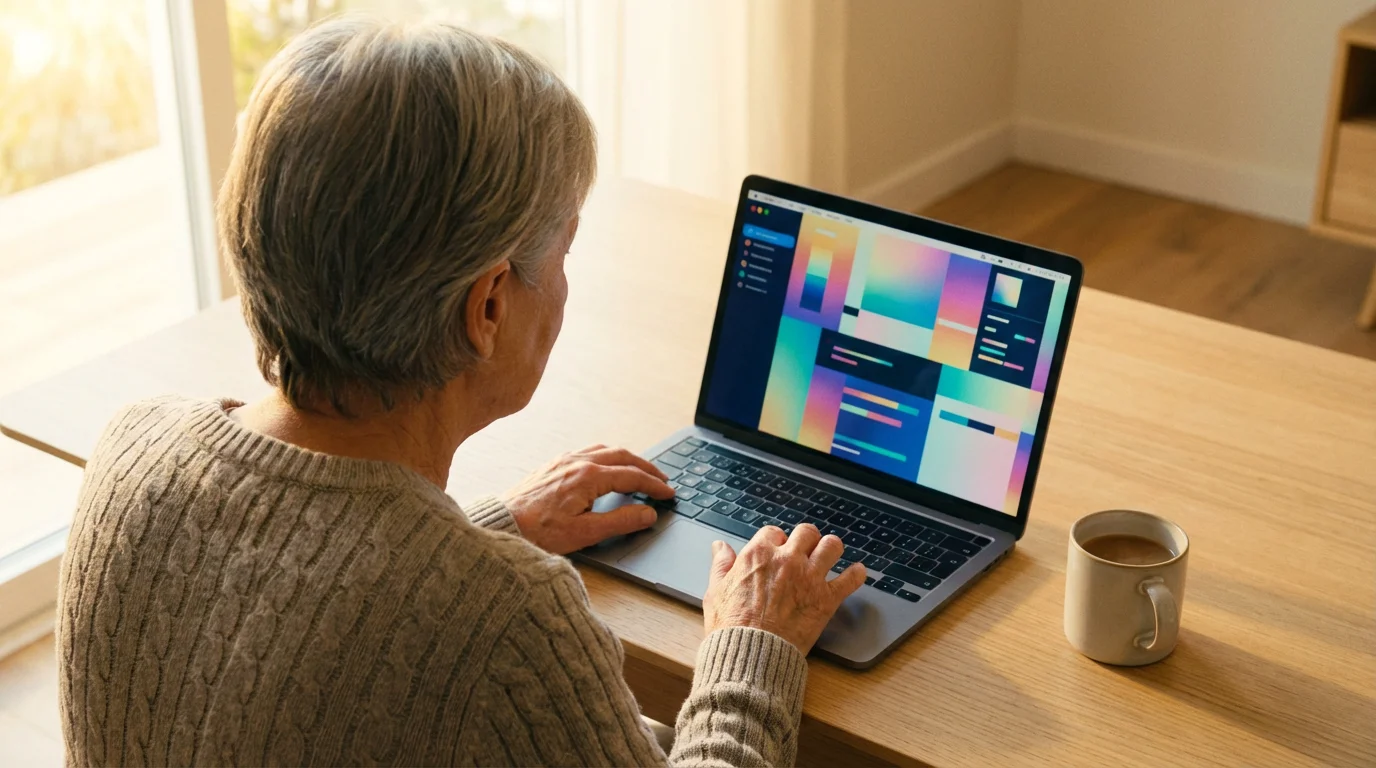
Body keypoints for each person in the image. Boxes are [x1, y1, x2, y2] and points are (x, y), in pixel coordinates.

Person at [56, 16, 865, 767]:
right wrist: (751, 645)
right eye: (561, 258)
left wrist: (490, 530)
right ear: (486, 307)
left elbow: (305, 640)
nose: (565, 287)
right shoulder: (511, 623)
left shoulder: (134, 447)